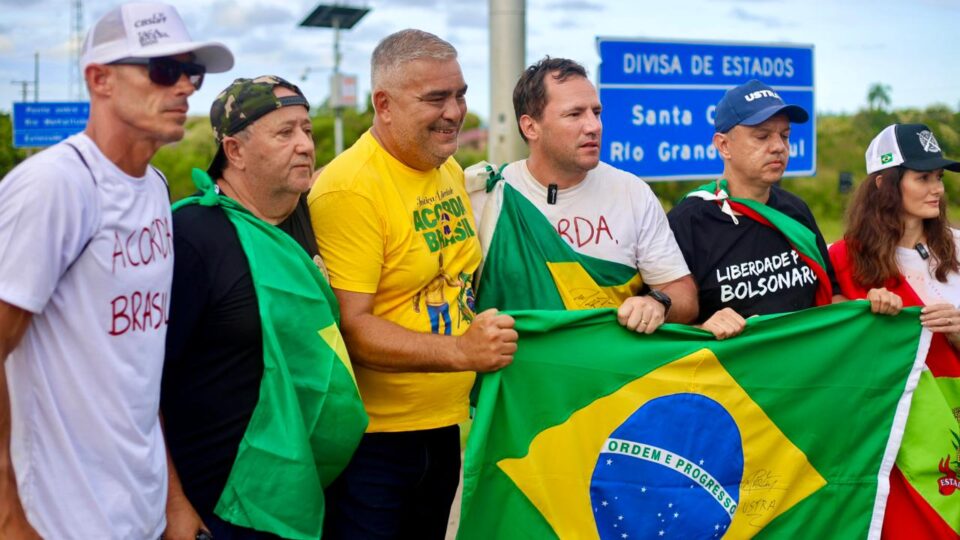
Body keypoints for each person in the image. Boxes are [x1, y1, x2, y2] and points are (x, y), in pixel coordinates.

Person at [0, 3, 232, 538]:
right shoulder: (56, 187)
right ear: (99, 79)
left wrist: (172, 500)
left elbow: (137, 369)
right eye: (161, 70)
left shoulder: (152, 188)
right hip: (57, 521)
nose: (184, 89)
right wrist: (11, 520)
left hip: (141, 513)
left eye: (190, 72)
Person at [308, 29, 518, 538]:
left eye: (461, 94)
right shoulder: (350, 189)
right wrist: (462, 353)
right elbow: (352, 328)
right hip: (375, 444)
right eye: (436, 98)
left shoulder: (442, 166)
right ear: (383, 103)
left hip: (444, 427)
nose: (455, 111)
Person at [161, 76, 367, 540]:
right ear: (234, 151)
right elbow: (143, 383)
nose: (304, 146)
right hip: (220, 503)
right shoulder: (193, 235)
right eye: (284, 133)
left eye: (308, 131)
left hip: (309, 486)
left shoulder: (310, 222)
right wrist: (174, 504)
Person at [469, 57, 698, 331]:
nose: (594, 126)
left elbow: (683, 293)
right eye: (574, 114)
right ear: (530, 127)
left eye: (596, 112)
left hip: (607, 371)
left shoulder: (631, 192)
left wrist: (658, 303)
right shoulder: (485, 194)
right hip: (514, 371)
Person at [828, 123, 960, 539]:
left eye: (938, 177)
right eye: (923, 178)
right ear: (884, 184)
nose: (937, 188)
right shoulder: (841, 259)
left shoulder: (958, 246)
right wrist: (860, 317)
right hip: (890, 446)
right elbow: (828, 352)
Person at [667, 79, 848, 339]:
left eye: (785, 136)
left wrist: (869, 309)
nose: (778, 147)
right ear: (723, 145)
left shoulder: (795, 211)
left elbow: (832, 295)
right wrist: (702, 329)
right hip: (731, 374)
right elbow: (661, 323)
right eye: (762, 136)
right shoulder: (686, 222)